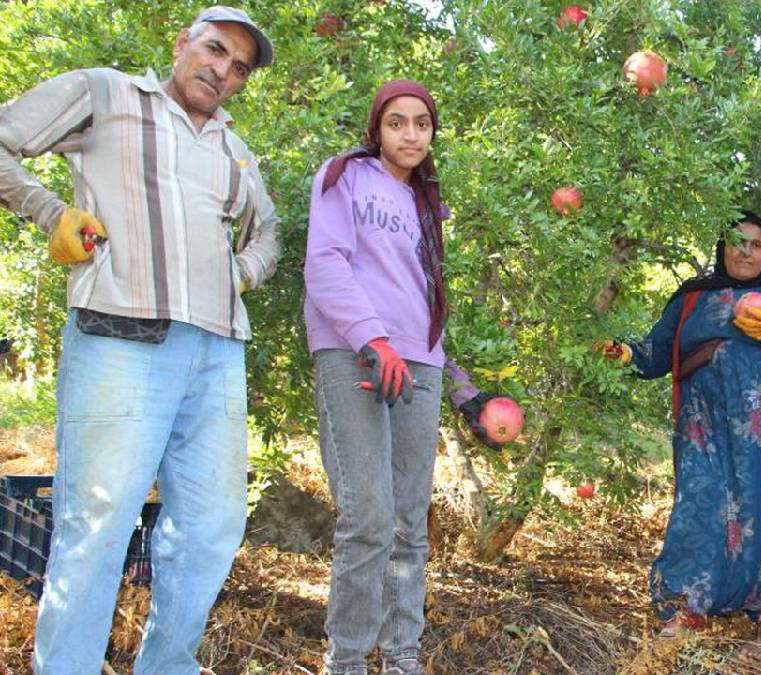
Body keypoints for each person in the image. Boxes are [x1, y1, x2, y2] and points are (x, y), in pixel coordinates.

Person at [0, 7, 279, 672]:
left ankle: (167, 665)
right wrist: (50, 211)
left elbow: (267, 232)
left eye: (239, 66)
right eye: (215, 49)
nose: (223, 69)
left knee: (213, 528)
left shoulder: (233, 148)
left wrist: (239, 272)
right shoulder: (106, 93)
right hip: (120, 338)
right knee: (96, 522)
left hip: (216, 353)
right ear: (183, 44)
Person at [303, 79, 498, 675]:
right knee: (369, 517)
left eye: (421, 123)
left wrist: (465, 390)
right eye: (397, 122)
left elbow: (426, 301)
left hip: (419, 364)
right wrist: (373, 339)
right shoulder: (344, 177)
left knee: (411, 521)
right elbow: (325, 263)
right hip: (355, 354)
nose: (410, 133)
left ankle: (403, 654)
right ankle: (348, 660)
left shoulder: (429, 202)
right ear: (377, 128)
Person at [599, 213, 761, 658]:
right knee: (700, 509)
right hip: (705, 428)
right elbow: (656, 353)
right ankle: (687, 608)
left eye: (757, 245)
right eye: (737, 242)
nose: (746, 252)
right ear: (721, 247)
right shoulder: (691, 299)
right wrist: (624, 351)